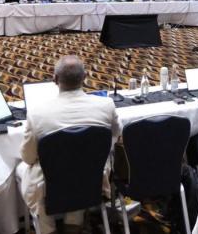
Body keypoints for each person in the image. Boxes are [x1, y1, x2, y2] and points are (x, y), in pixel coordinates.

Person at [16, 56, 120, 234]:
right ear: (85, 78)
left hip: (49, 183)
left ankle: (47, 229)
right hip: (90, 177)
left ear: (55, 79)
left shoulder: (37, 113)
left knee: (24, 168)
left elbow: (28, 158)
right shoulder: (106, 105)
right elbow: (115, 137)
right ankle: (74, 223)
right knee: (82, 165)